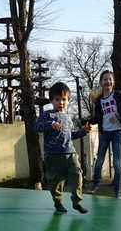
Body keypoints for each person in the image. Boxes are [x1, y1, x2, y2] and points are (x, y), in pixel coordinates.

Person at [36, 81, 90, 214]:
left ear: (68, 100)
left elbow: (70, 135)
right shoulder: (48, 115)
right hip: (53, 154)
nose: (61, 102)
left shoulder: (68, 118)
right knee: (55, 181)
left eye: (64, 99)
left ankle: (76, 201)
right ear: (51, 101)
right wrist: (50, 124)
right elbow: (36, 127)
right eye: (57, 99)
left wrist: (83, 131)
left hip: (70, 152)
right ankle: (58, 202)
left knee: (77, 174)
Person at [86, 70, 121, 199]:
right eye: (105, 79)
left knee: (117, 163)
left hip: (117, 132)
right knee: (99, 160)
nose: (108, 81)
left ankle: (117, 190)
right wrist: (83, 121)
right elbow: (96, 118)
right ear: (101, 83)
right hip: (105, 133)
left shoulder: (117, 95)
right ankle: (95, 184)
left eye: (110, 79)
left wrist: (117, 115)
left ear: (113, 82)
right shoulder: (100, 100)